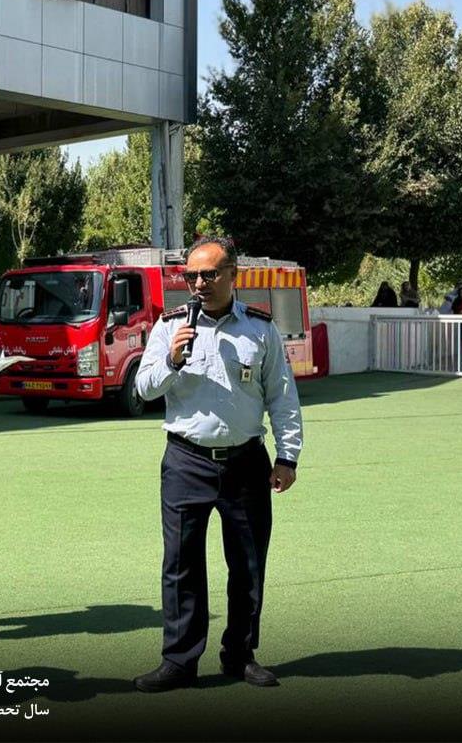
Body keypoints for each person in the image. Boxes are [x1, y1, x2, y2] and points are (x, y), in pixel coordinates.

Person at [132, 236, 303, 693]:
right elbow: (144, 388)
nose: (199, 284)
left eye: (209, 274)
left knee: (247, 564)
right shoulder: (170, 326)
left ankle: (240, 655)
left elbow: (282, 396)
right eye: (191, 276)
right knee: (181, 564)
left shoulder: (260, 329)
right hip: (186, 460)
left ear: (233, 275)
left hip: (246, 462)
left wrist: (287, 456)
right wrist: (172, 360)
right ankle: (179, 661)